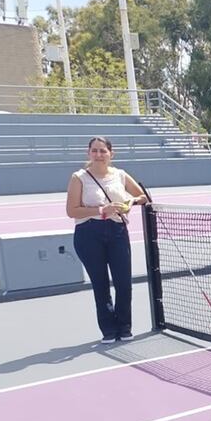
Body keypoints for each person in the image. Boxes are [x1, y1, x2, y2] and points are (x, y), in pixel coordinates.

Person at [65, 136, 150, 344]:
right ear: (88, 153)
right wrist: (102, 209)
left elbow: (143, 197)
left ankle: (124, 326)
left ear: (111, 153)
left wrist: (129, 203)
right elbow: (71, 210)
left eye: (103, 151)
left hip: (117, 231)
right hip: (88, 233)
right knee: (100, 284)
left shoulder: (120, 175)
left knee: (123, 283)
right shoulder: (79, 177)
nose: (99, 155)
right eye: (94, 151)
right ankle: (109, 331)